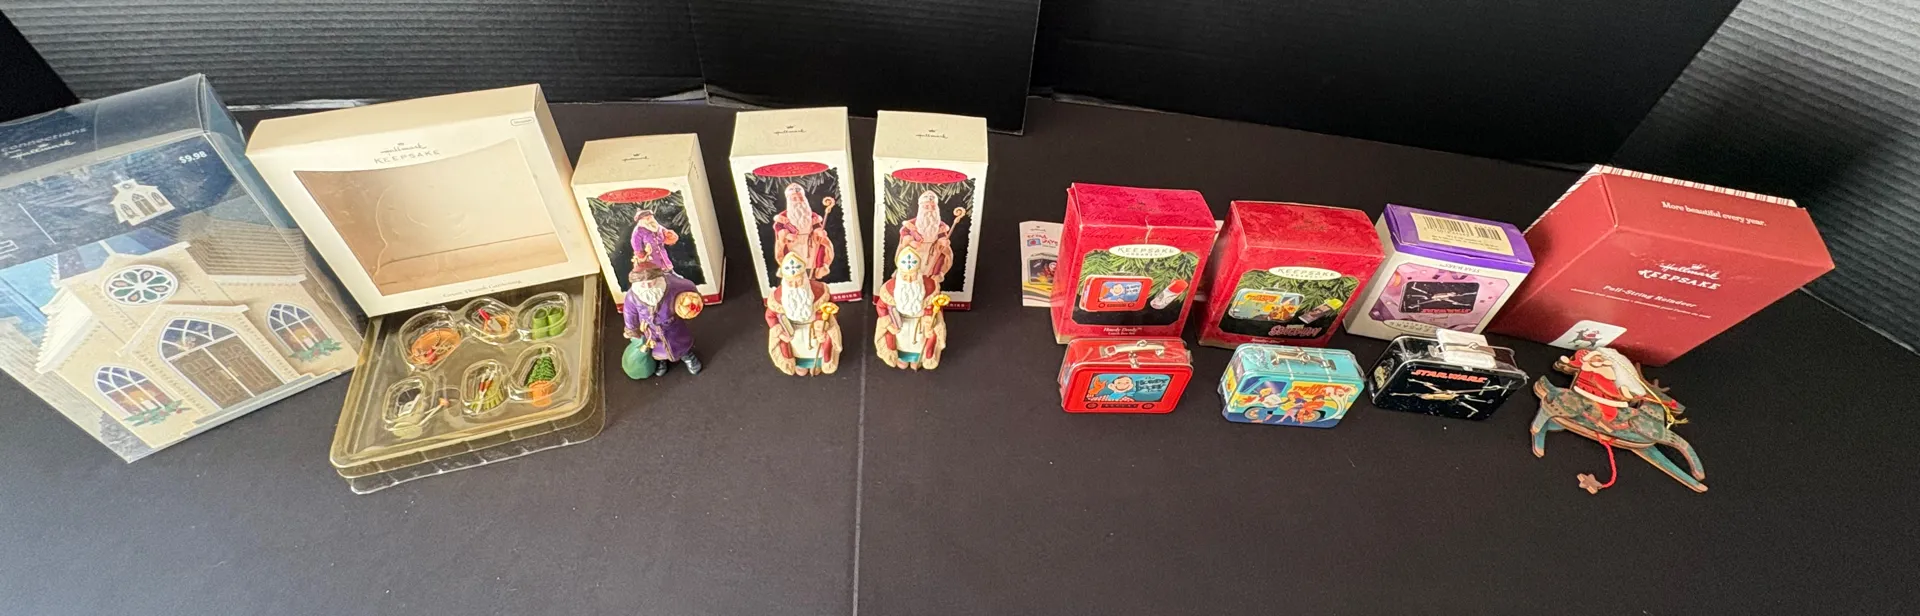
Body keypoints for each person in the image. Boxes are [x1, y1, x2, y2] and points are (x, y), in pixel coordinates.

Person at [765, 252, 841, 376]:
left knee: (817, 346)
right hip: (792, 330)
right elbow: (770, 315)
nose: (795, 286)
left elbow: (829, 308)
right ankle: (800, 364)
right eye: (790, 283)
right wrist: (779, 330)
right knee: (796, 348)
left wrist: (822, 325)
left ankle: (816, 363)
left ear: (804, 278)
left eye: (799, 281)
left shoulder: (819, 291)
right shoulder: (778, 298)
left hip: (813, 328)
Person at [622, 264, 703, 379]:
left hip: (672, 325)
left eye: (651, 282)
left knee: (680, 342)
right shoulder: (632, 296)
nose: (647, 286)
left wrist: (694, 297)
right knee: (657, 347)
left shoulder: (671, 284)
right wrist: (631, 329)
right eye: (643, 284)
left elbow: (687, 285)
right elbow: (629, 312)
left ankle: (688, 356)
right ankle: (661, 360)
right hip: (651, 329)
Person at [874, 244, 948, 370]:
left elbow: (933, 307)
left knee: (919, 342)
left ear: (918, 274)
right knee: (900, 341)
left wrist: (929, 321)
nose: (909, 280)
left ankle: (917, 359)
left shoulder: (929, 287)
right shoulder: (890, 289)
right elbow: (881, 306)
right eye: (905, 276)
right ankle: (902, 357)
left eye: (912, 276)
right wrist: (889, 324)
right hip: (900, 322)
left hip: (919, 323)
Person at [1567, 347, 1679, 423]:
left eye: (1600, 358)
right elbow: (1604, 387)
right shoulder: (1592, 372)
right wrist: (1619, 394)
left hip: (1611, 392)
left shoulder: (1606, 371)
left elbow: (1609, 384)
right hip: (1594, 392)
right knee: (1610, 411)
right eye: (1596, 359)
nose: (1599, 360)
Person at [772, 183, 834, 280]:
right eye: (794, 198)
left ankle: (811, 278)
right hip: (793, 244)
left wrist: (819, 232)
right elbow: (778, 227)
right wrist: (786, 235)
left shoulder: (811, 215)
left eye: (800, 197)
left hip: (810, 242)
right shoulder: (783, 216)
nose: (798, 200)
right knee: (795, 261)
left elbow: (816, 226)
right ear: (789, 200)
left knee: (810, 260)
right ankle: (797, 279)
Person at [897, 190, 956, 283]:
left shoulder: (938, 224)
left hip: (933, 249)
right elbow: (904, 232)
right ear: (921, 208)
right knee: (915, 266)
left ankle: (932, 277)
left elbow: (943, 235)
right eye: (926, 206)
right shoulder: (914, 223)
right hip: (917, 249)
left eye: (933, 206)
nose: (930, 209)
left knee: (936, 262)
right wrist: (911, 242)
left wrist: (943, 241)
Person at [629, 210, 679, 274]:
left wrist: (670, 235)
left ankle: (670, 273)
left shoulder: (657, 226)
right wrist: (641, 254)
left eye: (651, 217)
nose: (650, 220)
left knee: (667, 268)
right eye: (647, 218)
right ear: (641, 220)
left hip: (662, 255)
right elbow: (635, 244)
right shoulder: (638, 231)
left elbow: (667, 236)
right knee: (654, 271)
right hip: (650, 257)